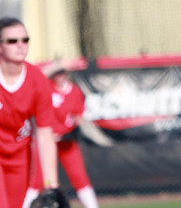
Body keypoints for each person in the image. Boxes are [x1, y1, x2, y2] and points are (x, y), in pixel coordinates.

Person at [23, 62, 103, 208]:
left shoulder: (75, 92)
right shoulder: (49, 87)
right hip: (48, 142)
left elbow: (79, 117)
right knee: (37, 181)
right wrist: (55, 65)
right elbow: (36, 77)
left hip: (67, 142)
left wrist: (77, 127)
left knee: (80, 178)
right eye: (57, 73)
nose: (60, 76)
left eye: (62, 72)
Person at [0, 17, 59, 208]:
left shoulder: (37, 81)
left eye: (25, 40)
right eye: (12, 41)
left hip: (18, 156)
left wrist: (51, 185)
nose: (20, 45)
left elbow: (44, 135)